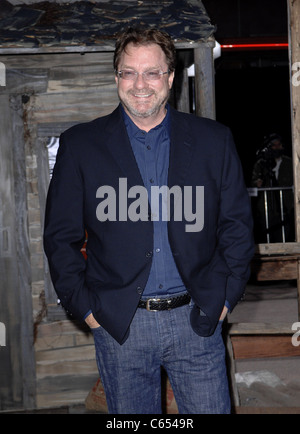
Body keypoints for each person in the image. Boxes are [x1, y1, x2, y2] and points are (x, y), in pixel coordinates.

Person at [44, 27, 254, 414]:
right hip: (120, 324)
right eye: (129, 72)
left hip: (198, 319)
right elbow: (60, 238)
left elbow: (237, 228)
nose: (140, 84)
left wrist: (224, 299)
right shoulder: (81, 145)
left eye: (152, 72)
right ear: (117, 77)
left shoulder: (214, 140)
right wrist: (88, 311)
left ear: (170, 78)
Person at [251, 133, 294, 242]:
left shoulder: (290, 163)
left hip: (285, 207)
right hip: (266, 209)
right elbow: (253, 182)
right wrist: (258, 183)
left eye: (278, 145)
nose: (277, 147)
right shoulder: (261, 164)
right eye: (274, 145)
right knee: (267, 237)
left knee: (285, 237)